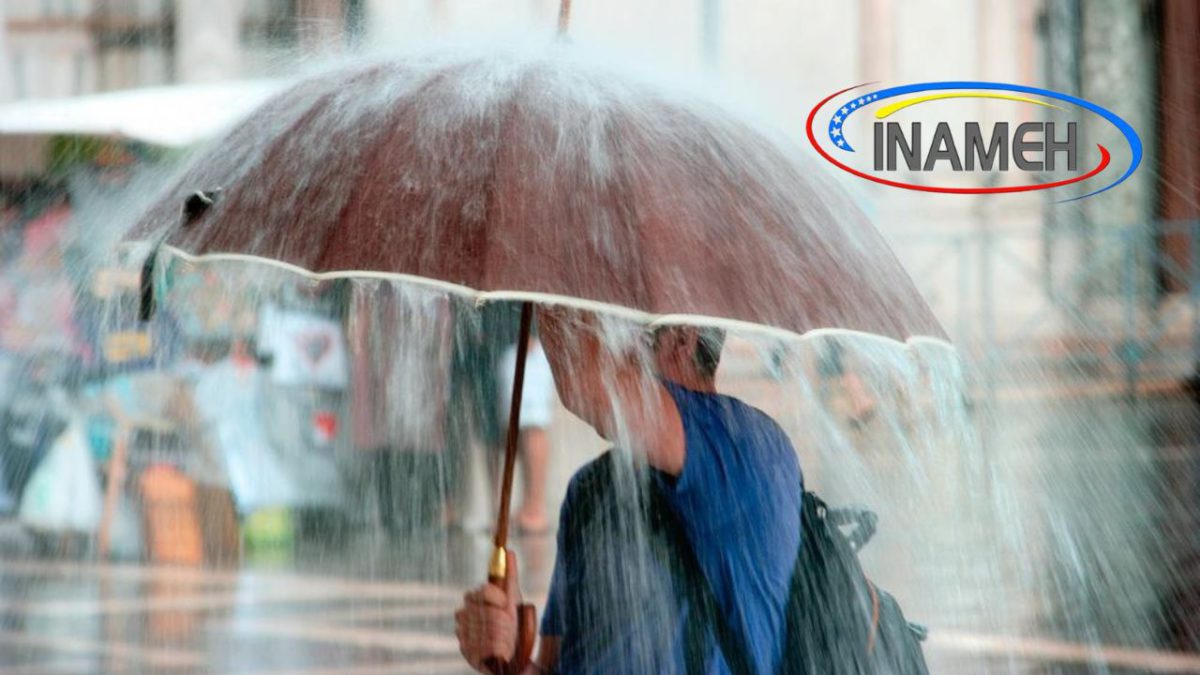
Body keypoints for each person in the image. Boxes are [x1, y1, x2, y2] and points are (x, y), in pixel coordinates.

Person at [456, 308, 803, 674]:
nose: (607, 342)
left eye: (617, 324)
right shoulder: (591, 487)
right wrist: (510, 658)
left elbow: (585, 382)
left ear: (682, 337)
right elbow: (555, 667)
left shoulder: (749, 446)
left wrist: (545, 286)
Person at [496, 334, 556, 534]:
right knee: (518, 426)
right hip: (503, 341)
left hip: (524, 339)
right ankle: (527, 507)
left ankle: (535, 509)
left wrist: (531, 333)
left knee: (531, 422)